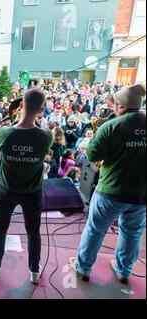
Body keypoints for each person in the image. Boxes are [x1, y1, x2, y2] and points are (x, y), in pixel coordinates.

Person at [70, 83, 146, 284]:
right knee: (132, 232)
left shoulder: (111, 126)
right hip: (141, 194)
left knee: (95, 229)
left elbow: (92, 155)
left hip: (111, 191)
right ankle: (124, 272)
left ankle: (83, 268)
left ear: (120, 106)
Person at [0, 88, 53, 284]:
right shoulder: (46, 136)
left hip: (6, 191)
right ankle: (34, 272)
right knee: (33, 232)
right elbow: (37, 134)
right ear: (41, 110)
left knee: (1, 228)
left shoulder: (5, 133)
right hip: (33, 193)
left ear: (20, 106)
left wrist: (16, 120)